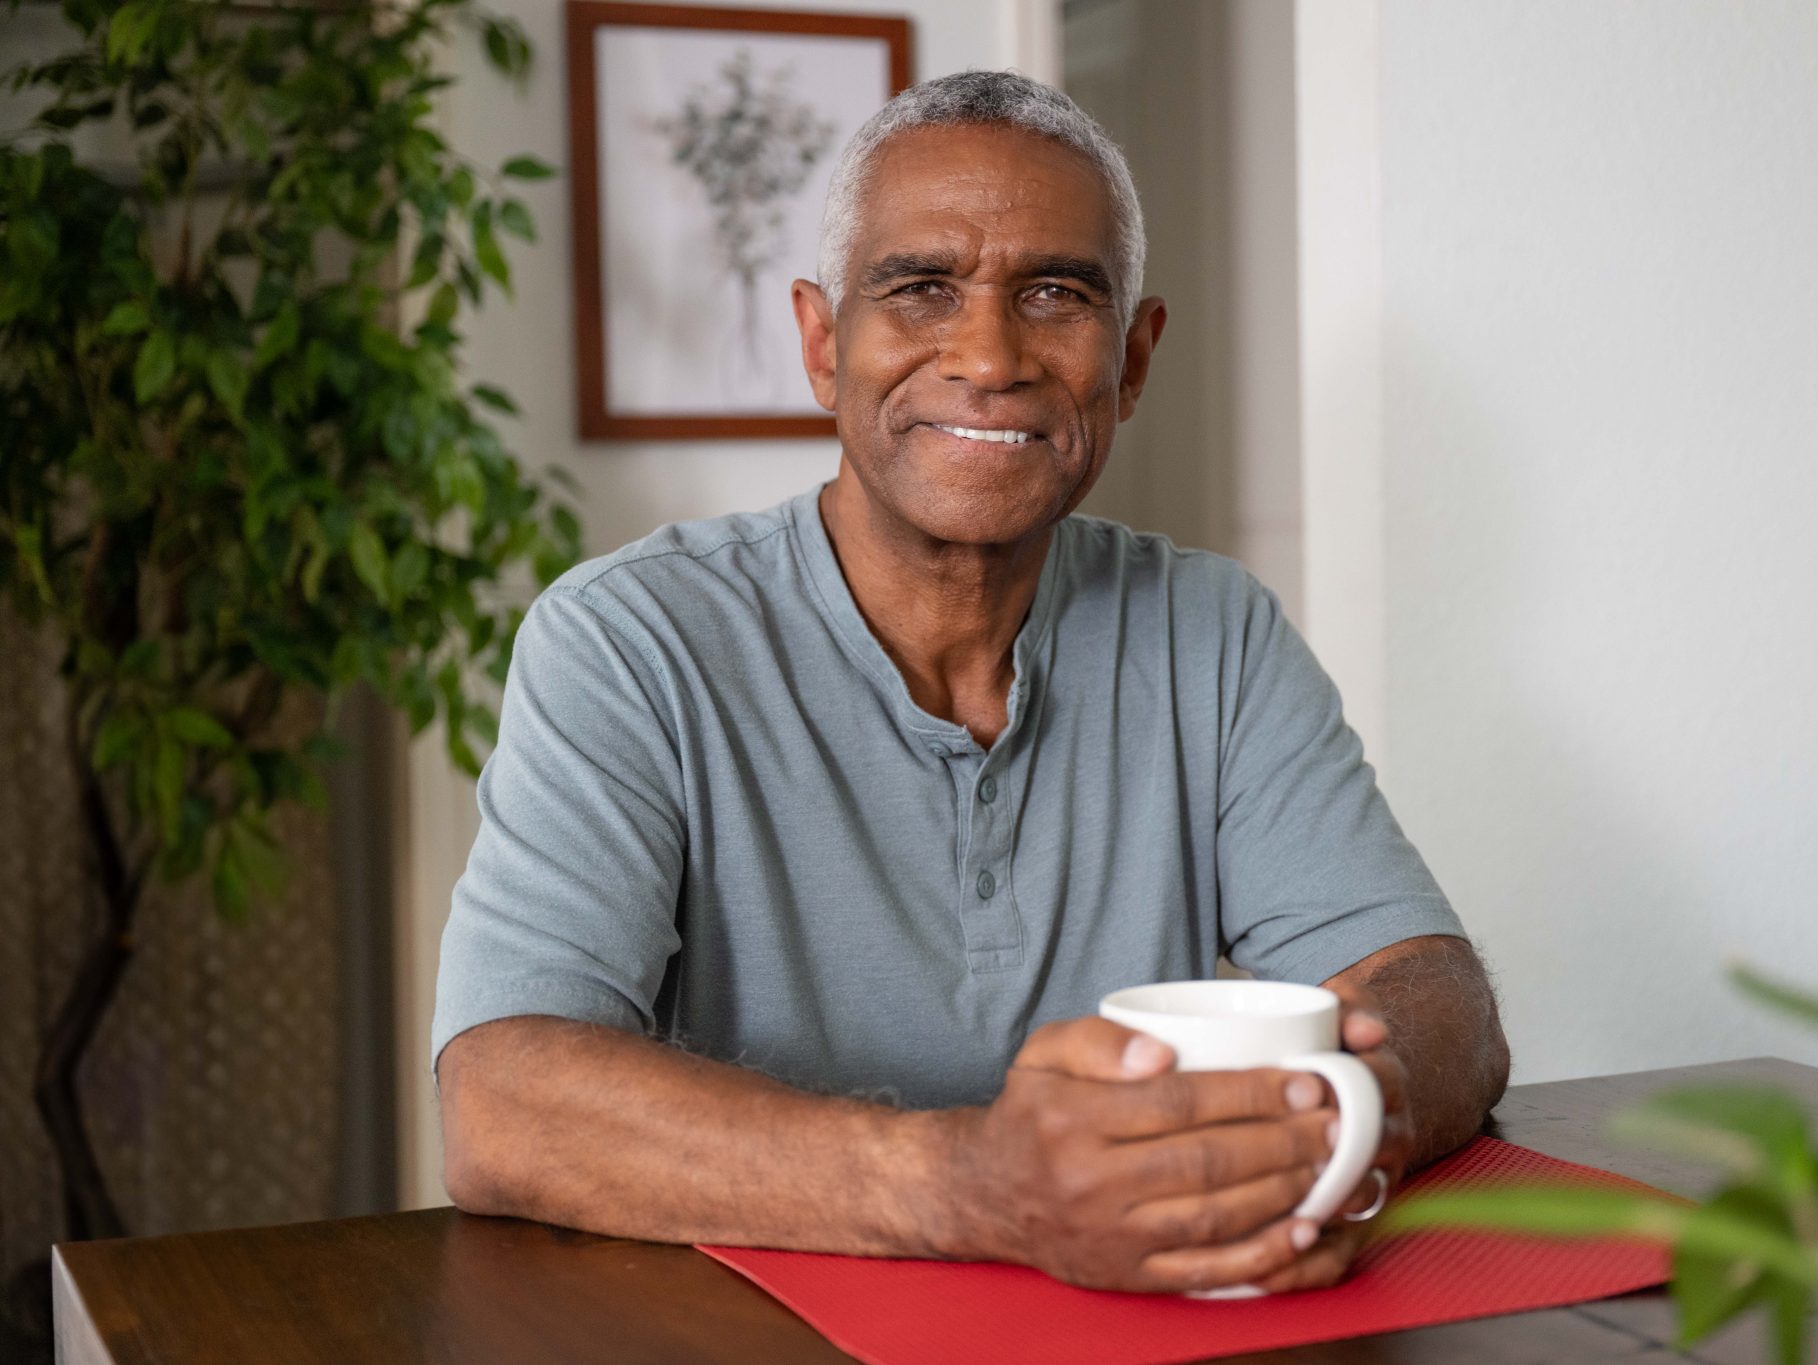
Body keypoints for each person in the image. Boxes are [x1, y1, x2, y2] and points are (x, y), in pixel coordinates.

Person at [432, 70, 1509, 1296]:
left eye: (1055, 293)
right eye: (920, 288)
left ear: (1133, 357)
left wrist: (1329, 1122)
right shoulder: (627, 640)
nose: (990, 356)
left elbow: (1430, 992)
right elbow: (504, 1101)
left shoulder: (1212, 631)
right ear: (823, 344)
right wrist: (973, 1188)